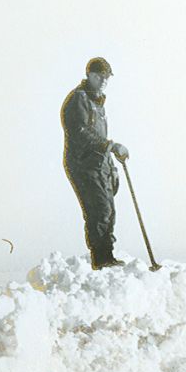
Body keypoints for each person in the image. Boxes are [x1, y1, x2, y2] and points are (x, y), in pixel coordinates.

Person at [60, 57, 129, 269]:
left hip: (100, 165)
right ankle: (101, 260)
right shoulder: (78, 99)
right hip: (82, 164)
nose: (103, 81)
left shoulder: (97, 102)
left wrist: (112, 167)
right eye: (99, 76)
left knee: (108, 209)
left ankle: (108, 257)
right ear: (89, 75)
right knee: (99, 210)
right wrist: (111, 146)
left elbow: (99, 137)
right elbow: (80, 132)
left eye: (107, 77)